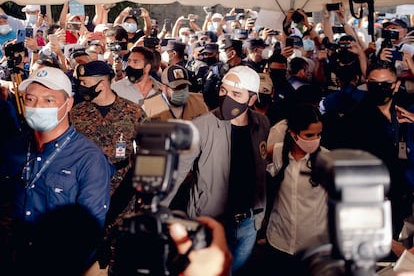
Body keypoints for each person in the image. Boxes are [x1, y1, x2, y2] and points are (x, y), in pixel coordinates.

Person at [0, 66, 114, 274]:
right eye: (30, 99)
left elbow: (88, 231)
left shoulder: (88, 158)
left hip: (61, 264)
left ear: (68, 104)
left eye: (49, 100)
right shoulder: (12, 149)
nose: (37, 106)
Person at [163, 65, 270, 273]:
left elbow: (260, 170)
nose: (226, 98)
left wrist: (260, 215)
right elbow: (176, 172)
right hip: (211, 222)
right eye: (223, 91)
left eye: (236, 94)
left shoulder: (262, 124)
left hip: (248, 223)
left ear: (252, 99)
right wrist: (157, 210)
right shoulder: (201, 126)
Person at [339, 61, 412, 238]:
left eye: (385, 84)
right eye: (374, 84)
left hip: (398, 201)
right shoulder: (355, 119)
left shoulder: (401, 110)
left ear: (396, 86)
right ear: (367, 84)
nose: (380, 88)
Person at [265, 103, 328, 276]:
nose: (315, 139)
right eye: (309, 135)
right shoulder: (277, 153)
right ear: (293, 134)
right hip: (278, 241)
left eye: (319, 134)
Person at [70, 60, 145, 196]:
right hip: (84, 185)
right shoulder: (76, 113)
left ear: (102, 85)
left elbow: (150, 148)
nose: (81, 87)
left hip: (122, 188)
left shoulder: (133, 112)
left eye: (85, 83)